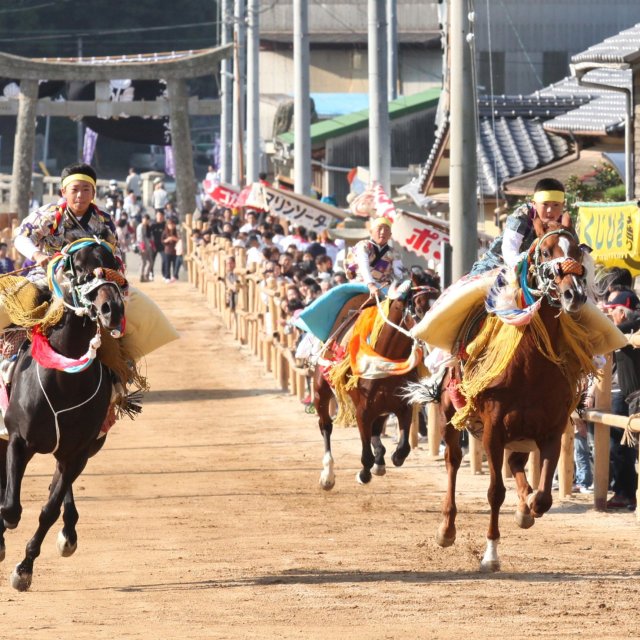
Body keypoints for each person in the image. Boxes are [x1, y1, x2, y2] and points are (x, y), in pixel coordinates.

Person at [14, 163, 117, 282]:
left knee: (136, 299)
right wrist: (38, 255)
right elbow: (21, 238)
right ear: (64, 192)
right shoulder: (49, 214)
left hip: (95, 278)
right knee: (16, 296)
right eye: (74, 189)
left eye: (86, 189)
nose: (80, 195)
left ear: (93, 193)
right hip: (50, 274)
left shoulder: (104, 219)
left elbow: (115, 250)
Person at [470, 178, 570, 275]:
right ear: (534, 204)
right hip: (498, 264)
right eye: (545, 204)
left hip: (542, 272)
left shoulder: (563, 224)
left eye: (556, 205)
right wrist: (528, 269)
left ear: (563, 205)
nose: (550, 210)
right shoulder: (521, 216)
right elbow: (509, 251)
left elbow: (573, 251)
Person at [601, 288, 640, 510]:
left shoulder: (628, 328)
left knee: (621, 449)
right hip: (631, 396)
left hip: (636, 397)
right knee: (621, 448)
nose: (611, 315)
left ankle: (626, 493)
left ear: (623, 313)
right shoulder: (626, 329)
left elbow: (609, 333)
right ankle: (626, 492)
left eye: (612, 310)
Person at [345, 216, 404, 296]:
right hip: (360, 285)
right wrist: (371, 285)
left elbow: (399, 274)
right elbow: (363, 266)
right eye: (379, 228)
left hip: (383, 289)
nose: (383, 232)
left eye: (386, 230)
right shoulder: (363, 245)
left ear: (390, 235)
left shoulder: (394, 253)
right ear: (371, 232)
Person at [161, 217, 180, 283]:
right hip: (167, 250)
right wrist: (167, 239)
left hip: (175, 251)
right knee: (167, 264)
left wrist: (175, 239)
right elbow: (162, 241)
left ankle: (174, 276)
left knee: (175, 265)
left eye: (172, 224)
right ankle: (167, 277)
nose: (171, 226)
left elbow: (180, 240)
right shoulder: (165, 232)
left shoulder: (177, 232)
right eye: (169, 224)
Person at [136, 213, 153, 283]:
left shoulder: (147, 227)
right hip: (142, 246)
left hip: (148, 246)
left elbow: (150, 237)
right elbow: (140, 238)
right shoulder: (140, 226)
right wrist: (142, 247)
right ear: (142, 219)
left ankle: (146, 275)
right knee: (143, 262)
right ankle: (141, 276)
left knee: (150, 262)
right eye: (145, 219)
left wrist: (152, 245)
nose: (146, 221)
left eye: (147, 219)